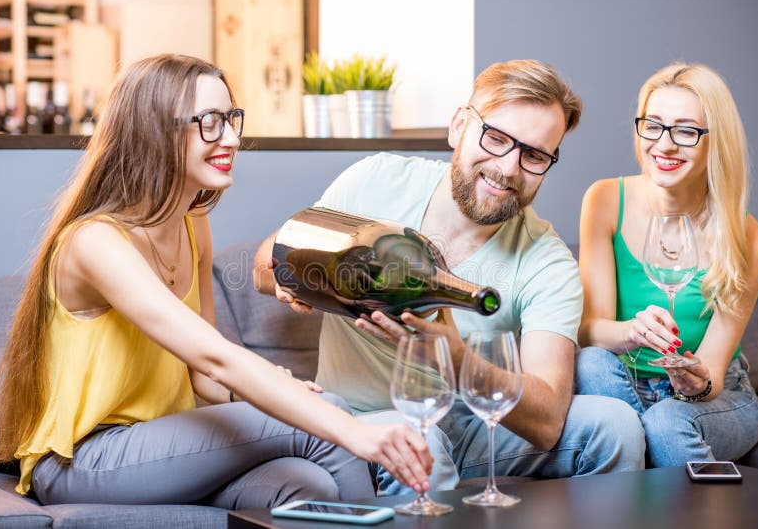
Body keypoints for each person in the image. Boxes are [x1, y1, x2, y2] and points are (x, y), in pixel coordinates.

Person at [0, 54, 433, 509]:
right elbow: (213, 356)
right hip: (82, 460)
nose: (232, 138)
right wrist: (355, 432)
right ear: (153, 130)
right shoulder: (95, 242)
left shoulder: (192, 219)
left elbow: (203, 377)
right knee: (332, 417)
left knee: (305, 484)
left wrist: (275, 390)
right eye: (210, 122)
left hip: (157, 446)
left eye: (231, 119)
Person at [254, 60, 645, 491]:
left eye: (533, 155)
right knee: (422, 448)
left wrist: (457, 359)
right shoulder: (376, 182)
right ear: (460, 125)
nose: (508, 168)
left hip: (473, 423)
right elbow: (266, 262)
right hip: (365, 416)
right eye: (496, 138)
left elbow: (549, 418)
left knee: (616, 424)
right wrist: (290, 282)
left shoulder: (546, 259)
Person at [575, 62, 758, 467]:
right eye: (653, 125)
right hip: (624, 382)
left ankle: (641, 459)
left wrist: (694, 382)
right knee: (590, 362)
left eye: (685, 130)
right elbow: (590, 330)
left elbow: (712, 371)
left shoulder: (748, 237)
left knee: (666, 421)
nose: (664, 145)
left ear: (716, 141)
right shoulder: (605, 200)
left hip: (715, 398)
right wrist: (631, 332)